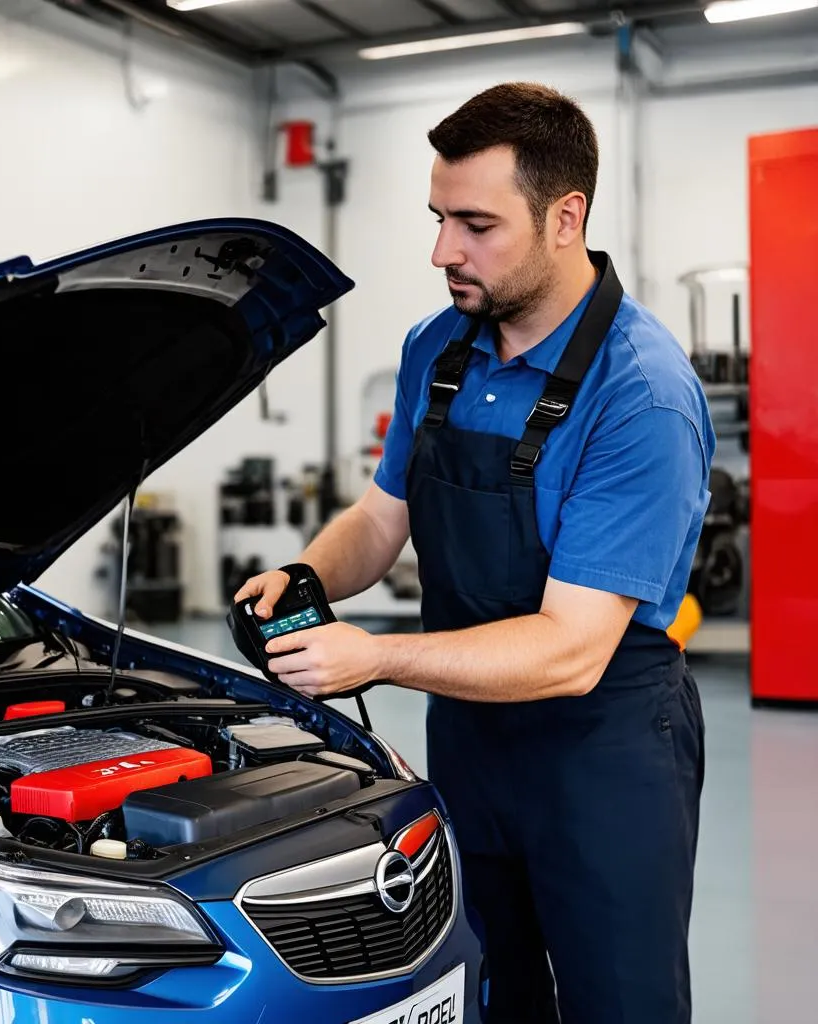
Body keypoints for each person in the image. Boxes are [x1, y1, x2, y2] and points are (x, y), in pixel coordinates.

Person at [236, 82, 714, 1023]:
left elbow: (571, 650)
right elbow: (382, 516)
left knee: (621, 1004)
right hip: (468, 737)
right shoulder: (438, 349)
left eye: (476, 224)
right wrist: (308, 576)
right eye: (438, 218)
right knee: (484, 995)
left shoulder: (642, 395)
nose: (442, 250)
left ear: (565, 217)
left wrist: (373, 656)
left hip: (602, 749)